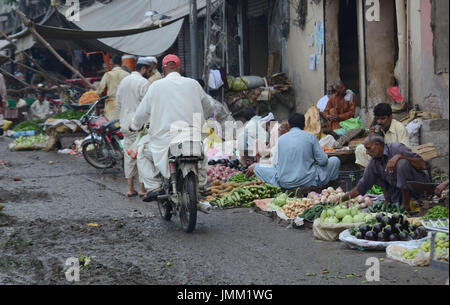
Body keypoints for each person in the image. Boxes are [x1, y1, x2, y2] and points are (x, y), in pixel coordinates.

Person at [130, 54, 210, 202]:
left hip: (165, 140)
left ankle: (154, 187)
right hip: (192, 136)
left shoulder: (155, 86)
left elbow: (142, 112)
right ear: (179, 68)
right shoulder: (193, 84)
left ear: (163, 70)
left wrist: (134, 126)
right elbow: (207, 107)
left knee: (141, 152)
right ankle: (201, 184)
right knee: (201, 155)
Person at [246, 113, 341, 189]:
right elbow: (323, 161)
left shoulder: (281, 139)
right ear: (304, 125)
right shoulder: (310, 137)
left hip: (285, 182)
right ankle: (330, 187)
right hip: (307, 180)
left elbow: (275, 164)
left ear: (289, 125)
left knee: (257, 167)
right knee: (335, 160)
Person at [341, 134, 431, 212]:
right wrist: (341, 199)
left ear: (377, 145)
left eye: (368, 148)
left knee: (402, 163)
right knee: (376, 172)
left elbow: (422, 165)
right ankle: (399, 202)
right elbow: (362, 186)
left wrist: (400, 157)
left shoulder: (397, 148)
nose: (367, 152)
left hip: (418, 188)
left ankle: (406, 204)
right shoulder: (374, 163)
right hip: (398, 195)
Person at [116, 57, 153, 198]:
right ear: (143, 69)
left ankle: (130, 188)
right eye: (149, 70)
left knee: (129, 156)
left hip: (125, 124)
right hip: (139, 126)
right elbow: (148, 106)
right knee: (142, 156)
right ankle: (142, 189)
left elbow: (118, 104)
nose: (150, 73)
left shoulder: (124, 81)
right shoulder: (144, 83)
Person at [355, 103, 410, 168]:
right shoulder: (377, 128)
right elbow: (372, 146)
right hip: (380, 157)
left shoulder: (399, 128)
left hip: (393, 158)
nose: (379, 121)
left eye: (383, 119)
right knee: (360, 149)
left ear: (390, 117)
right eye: (377, 119)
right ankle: (368, 173)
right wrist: (372, 136)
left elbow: (405, 150)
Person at [97, 55, 130, 120]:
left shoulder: (108, 74)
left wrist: (100, 97)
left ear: (112, 63)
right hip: (125, 104)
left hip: (111, 106)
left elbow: (99, 91)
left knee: (111, 127)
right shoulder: (127, 74)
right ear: (121, 63)